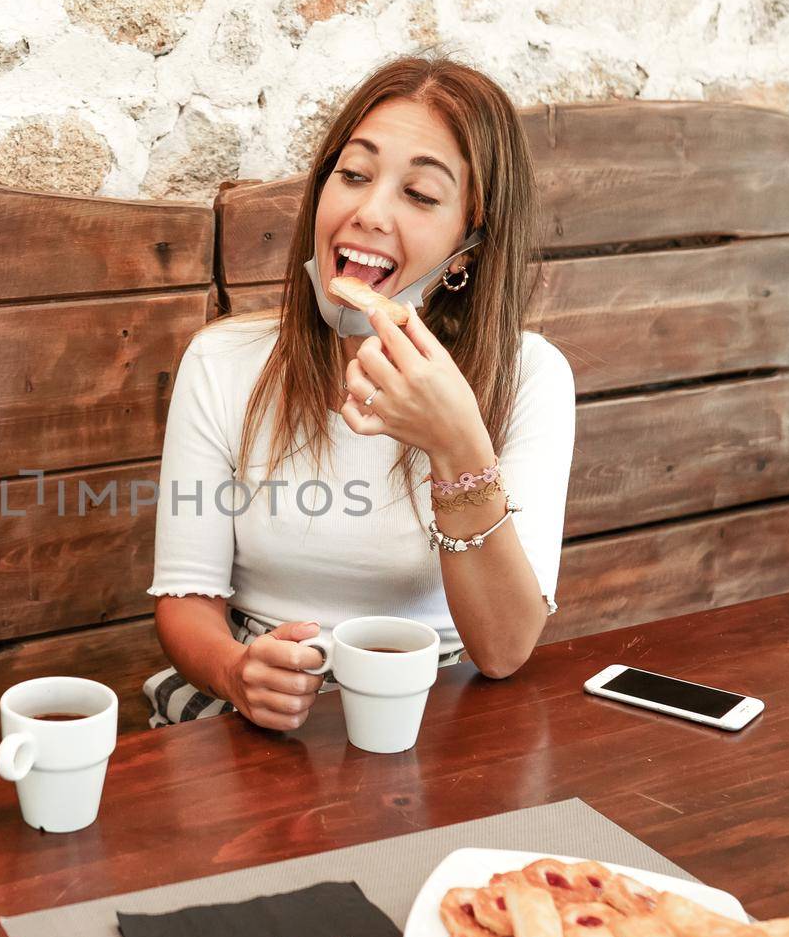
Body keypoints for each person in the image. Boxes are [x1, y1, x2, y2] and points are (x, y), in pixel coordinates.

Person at [144, 55, 575, 730]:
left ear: (468, 248)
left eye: (422, 195)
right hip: (261, 710)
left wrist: (455, 440)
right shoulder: (223, 362)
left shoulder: (532, 378)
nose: (369, 212)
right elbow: (186, 601)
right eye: (354, 175)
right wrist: (237, 669)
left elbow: (503, 649)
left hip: (444, 709)